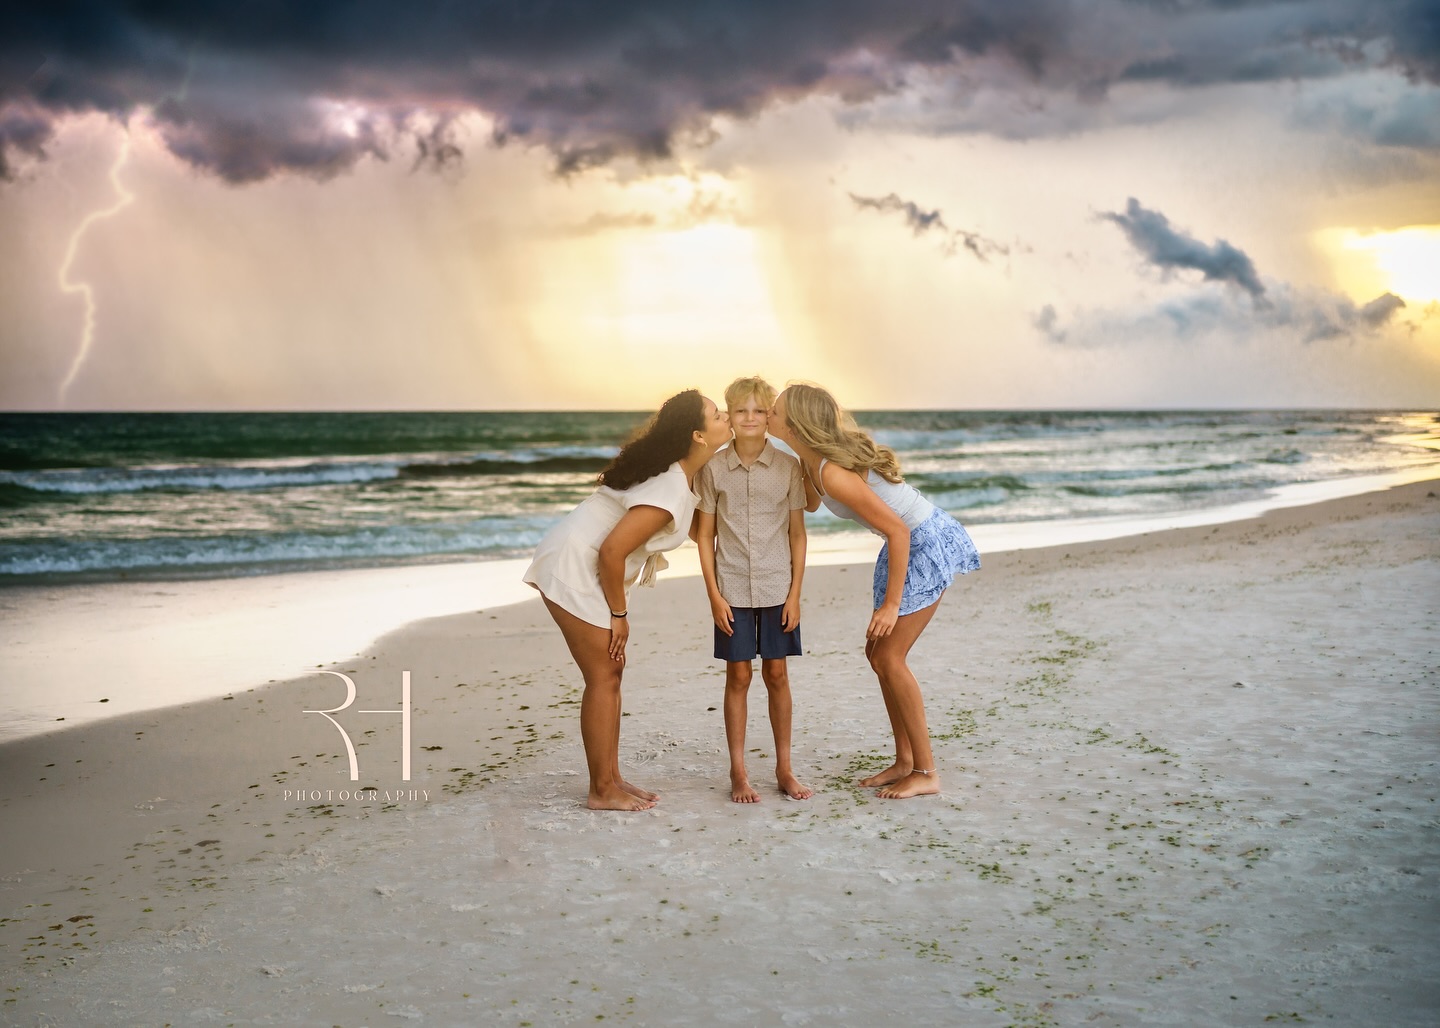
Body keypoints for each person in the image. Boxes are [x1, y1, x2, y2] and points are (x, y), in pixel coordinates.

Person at [767, 383, 980, 799]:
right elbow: (809, 504)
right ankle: (904, 761)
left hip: (920, 540)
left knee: (889, 655)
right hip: (901, 542)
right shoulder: (813, 465)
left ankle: (926, 770)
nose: (767, 416)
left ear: (794, 425)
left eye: (773, 411)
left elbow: (898, 529)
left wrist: (891, 605)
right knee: (877, 654)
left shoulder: (831, 471)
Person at [523, 390, 733, 810]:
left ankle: (611, 777)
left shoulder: (679, 475)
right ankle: (601, 790)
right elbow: (612, 552)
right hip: (575, 566)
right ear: (698, 435)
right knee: (603, 675)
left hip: (585, 563)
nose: (726, 416)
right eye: (717, 413)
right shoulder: (672, 483)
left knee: (611, 671)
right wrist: (619, 615)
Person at [695, 376, 813, 804]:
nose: (749, 418)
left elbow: (798, 534)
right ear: (730, 413)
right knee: (739, 676)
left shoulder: (788, 468)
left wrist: (796, 593)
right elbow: (704, 537)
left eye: (758, 411)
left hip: (778, 585)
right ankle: (739, 772)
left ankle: (784, 768)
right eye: (740, 410)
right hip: (730, 589)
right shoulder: (713, 469)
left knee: (777, 674)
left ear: (769, 417)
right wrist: (713, 595)